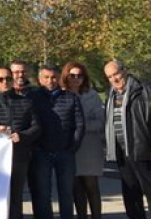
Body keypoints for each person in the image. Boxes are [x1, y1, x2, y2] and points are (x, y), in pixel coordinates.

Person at [103, 60, 151, 219]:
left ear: (125, 70)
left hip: (144, 149)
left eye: (116, 74)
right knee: (131, 193)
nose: (114, 79)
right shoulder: (110, 94)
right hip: (122, 152)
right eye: (110, 77)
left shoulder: (144, 89)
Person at [0, 68, 40, 219]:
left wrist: (21, 136)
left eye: (8, 79)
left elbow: (37, 127)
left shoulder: (25, 102)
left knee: (15, 196)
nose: (5, 82)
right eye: (1, 79)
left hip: (18, 156)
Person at [33, 65, 84, 219]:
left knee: (66, 193)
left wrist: (72, 147)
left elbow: (79, 125)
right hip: (42, 152)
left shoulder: (71, 97)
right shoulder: (33, 98)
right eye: (46, 77)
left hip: (65, 152)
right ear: (40, 79)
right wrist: (36, 147)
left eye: (54, 77)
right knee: (43, 194)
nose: (50, 81)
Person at [62, 62, 104, 219]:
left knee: (91, 185)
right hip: (70, 147)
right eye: (72, 75)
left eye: (79, 75)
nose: (75, 79)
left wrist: (81, 124)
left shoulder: (92, 96)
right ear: (66, 76)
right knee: (76, 188)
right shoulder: (61, 95)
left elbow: (101, 122)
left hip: (89, 146)